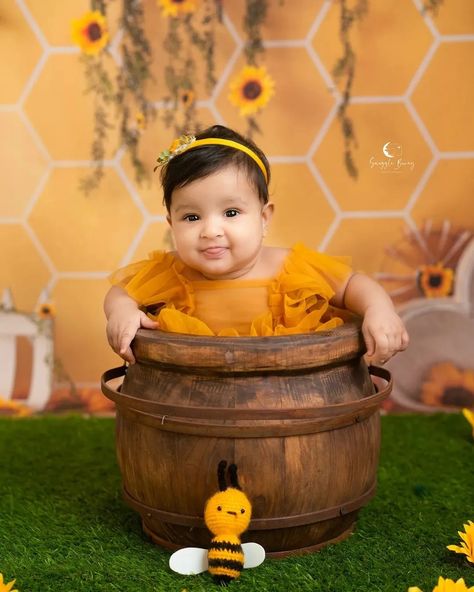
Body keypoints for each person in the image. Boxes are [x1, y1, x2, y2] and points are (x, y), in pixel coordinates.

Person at [104, 125, 409, 365]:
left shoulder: (291, 268)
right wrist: (121, 311)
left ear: (264, 218)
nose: (210, 230)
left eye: (231, 213)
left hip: (287, 395)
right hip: (198, 398)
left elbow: (354, 284)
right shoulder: (170, 272)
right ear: (171, 224)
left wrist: (379, 309)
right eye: (192, 217)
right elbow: (120, 292)